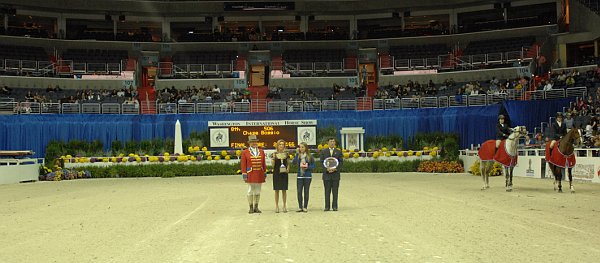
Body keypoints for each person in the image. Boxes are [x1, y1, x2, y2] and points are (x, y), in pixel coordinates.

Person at [241, 135, 267, 214]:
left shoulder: (261, 151)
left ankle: (256, 207)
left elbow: (263, 163)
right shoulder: (245, 152)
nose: (254, 143)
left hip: (259, 173)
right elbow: (243, 164)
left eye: (255, 142)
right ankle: (251, 207)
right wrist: (244, 174)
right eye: (252, 142)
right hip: (250, 173)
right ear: (249, 143)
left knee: (258, 191)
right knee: (250, 190)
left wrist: (264, 172)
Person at [320, 138, 343, 211]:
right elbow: (321, 162)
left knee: (335, 191)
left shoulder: (338, 152)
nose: (332, 143)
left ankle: (335, 206)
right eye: (331, 141)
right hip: (327, 175)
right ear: (328, 142)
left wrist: (335, 169)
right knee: (327, 191)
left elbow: (341, 162)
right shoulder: (324, 151)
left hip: (335, 175)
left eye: (333, 141)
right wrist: (326, 169)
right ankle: (327, 206)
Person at [292, 142, 315, 212]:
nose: (301, 148)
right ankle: (300, 206)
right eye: (300, 147)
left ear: (305, 148)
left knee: (306, 191)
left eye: (302, 147)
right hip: (300, 176)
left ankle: (305, 206)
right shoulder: (298, 156)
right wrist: (296, 154)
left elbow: (313, 166)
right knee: (299, 191)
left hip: (307, 176)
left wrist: (307, 167)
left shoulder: (310, 156)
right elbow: (294, 163)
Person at [271, 139, 290, 213]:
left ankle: (284, 205)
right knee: (277, 190)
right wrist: (273, 159)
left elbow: (288, 163)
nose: (281, 146)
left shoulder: (286, 154)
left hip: (284, 173)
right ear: (277, 146)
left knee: (284, 190)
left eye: (283, 144)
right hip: (276, 173)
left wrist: (288, 169)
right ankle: (276, 206)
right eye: (280, 144)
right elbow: (273, 165)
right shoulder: (274, 154)